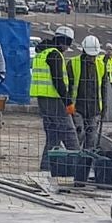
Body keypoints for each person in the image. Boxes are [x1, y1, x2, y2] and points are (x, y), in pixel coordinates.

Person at [31, 25, 79, 171]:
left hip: (43, 100)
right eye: (68, 43)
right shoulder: (54, 54)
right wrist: (68, 102)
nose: (68, 47)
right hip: (54, 99)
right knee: (69, 133)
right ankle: (79, 165)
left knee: (53, 135)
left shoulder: (42, 52)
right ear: (63, 41)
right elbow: (58, 81)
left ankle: (46, 166)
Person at [67, 34, 106, 158]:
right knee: (78, 135)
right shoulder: (73, 64)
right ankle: (75, 161)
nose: (92, 58)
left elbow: (104, 88)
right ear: (84, 51)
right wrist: (69, 109)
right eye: (90, 56)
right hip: (77, 107)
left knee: (92, 139)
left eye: (94, 56)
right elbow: (67, 88)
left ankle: (87, 162)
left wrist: (104, 108)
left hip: (94, 109)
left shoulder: (100, 65)